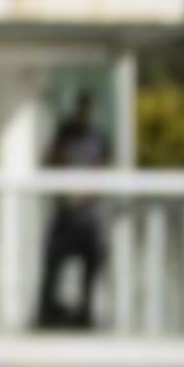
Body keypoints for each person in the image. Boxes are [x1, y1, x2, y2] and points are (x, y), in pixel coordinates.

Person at [39, 91, 110, 331]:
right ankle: (47, 313)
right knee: (52, 264)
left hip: (88, 217)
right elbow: (50, 162)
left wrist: (87, 191)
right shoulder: (64, 136)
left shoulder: (98, 138)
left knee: (93, 263)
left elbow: (103, 171)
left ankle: (85, 313)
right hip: (65, 215)